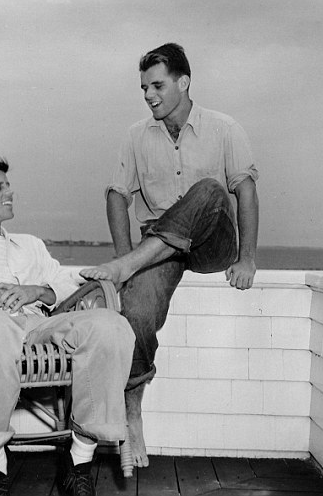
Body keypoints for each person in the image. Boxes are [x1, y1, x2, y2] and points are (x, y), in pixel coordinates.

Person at [80, 43, 259, 469]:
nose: (148, 95)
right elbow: (116, 195)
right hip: (159, 248)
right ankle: (133, 410)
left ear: (184, 82)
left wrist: (248, 257)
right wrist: (128, 257)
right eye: (143, 87)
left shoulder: (224, 127)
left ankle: (129, 265)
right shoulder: (136, 135)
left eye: (157, 85)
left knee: (210, 190)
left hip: (212, 239)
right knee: (137, 312)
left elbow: (245, 191)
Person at [0, 156, 135, 496]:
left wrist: (36, 290)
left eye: (9, 186)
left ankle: (79, 458)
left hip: (34, 326)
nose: (10, 193)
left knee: (110, 325)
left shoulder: (30, 245)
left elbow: (62, 282)